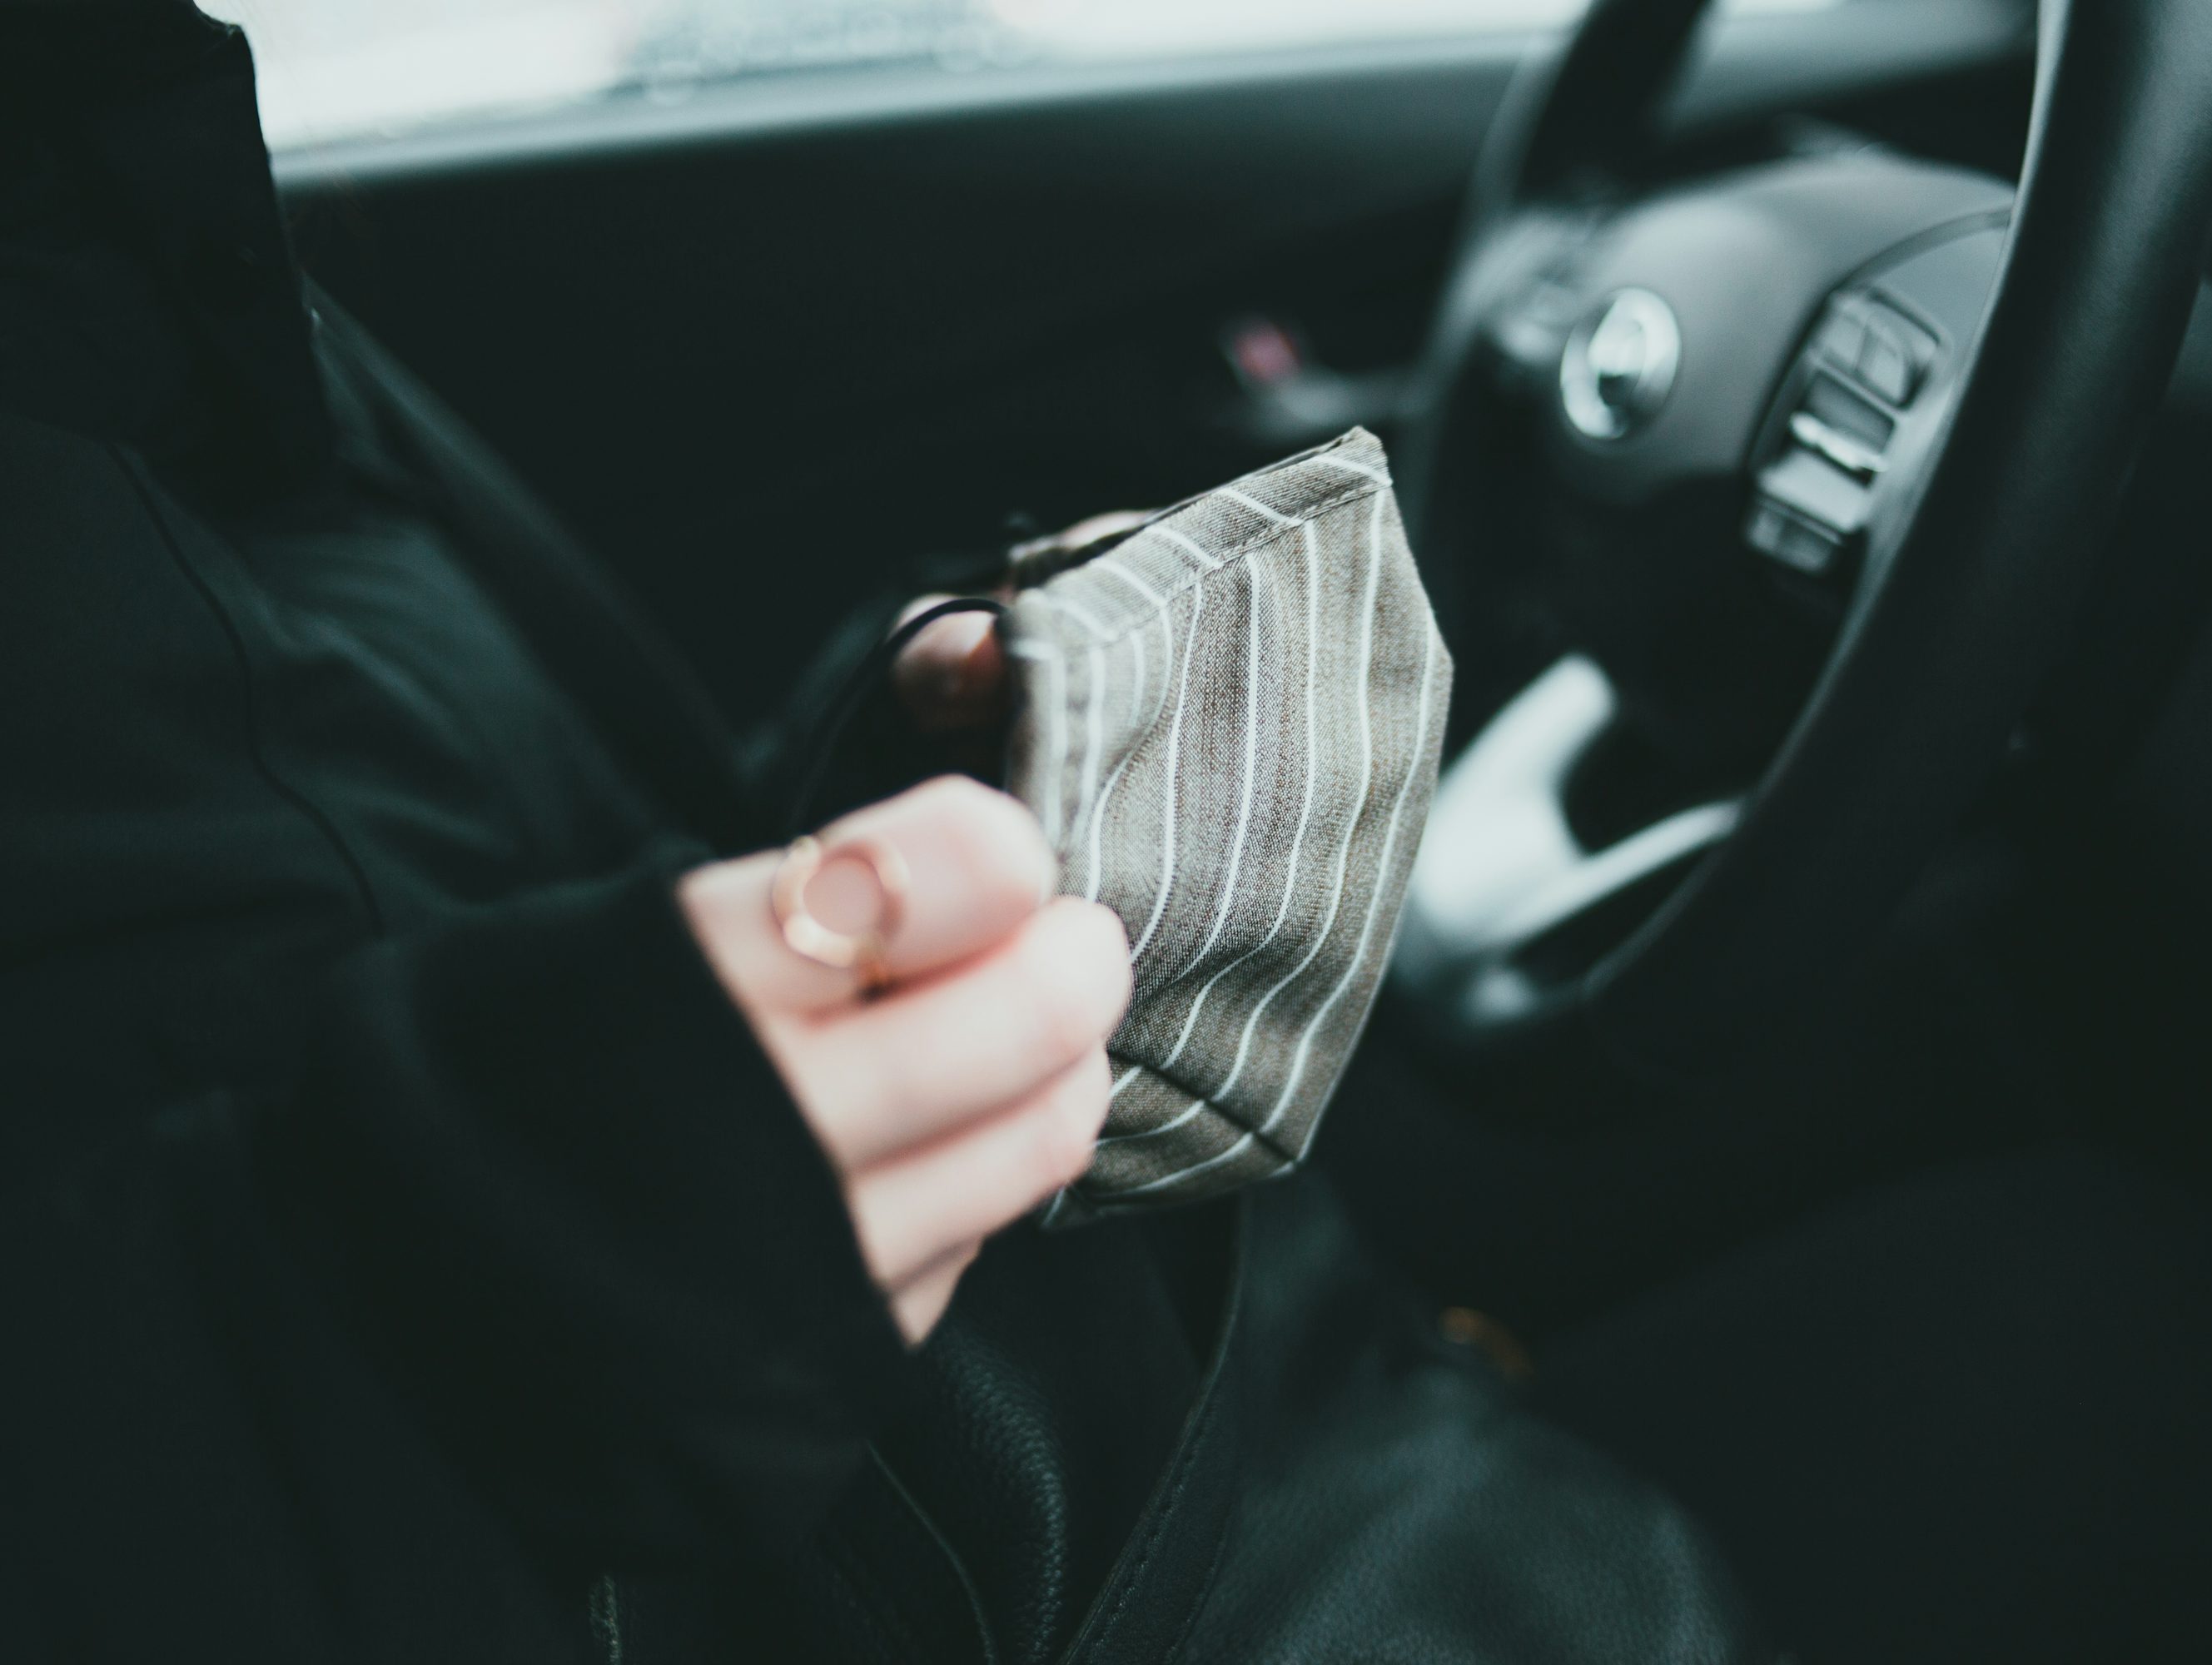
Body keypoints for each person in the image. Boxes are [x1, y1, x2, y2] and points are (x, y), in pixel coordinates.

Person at [0, 7, 1755, 1660]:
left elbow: (464, 853)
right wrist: (351, 1370)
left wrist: (902, 771)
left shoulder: (102, 189)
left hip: (1206, 1415)